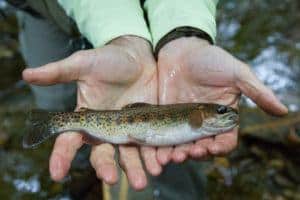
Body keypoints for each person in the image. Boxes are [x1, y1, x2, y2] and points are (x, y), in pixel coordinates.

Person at [11, 0, 288, 199]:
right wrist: (120, 34)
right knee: (56, 102)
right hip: (43, 11)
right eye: (219, 111)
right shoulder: (194, 117)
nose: (226, 114)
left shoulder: (196, 117)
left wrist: (183, 31)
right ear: (201, 114)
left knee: (165, 165)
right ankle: (83, 175)